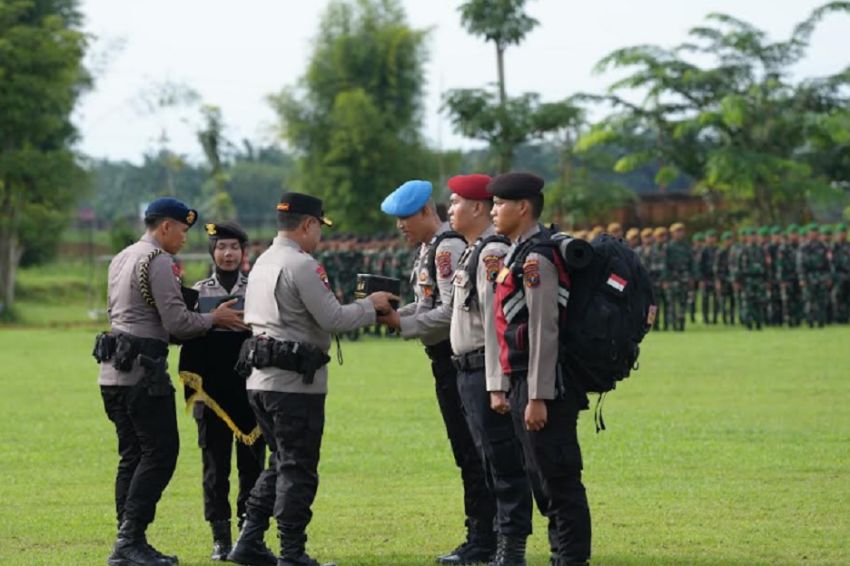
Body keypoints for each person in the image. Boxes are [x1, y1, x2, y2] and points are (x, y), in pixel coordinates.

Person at [227, 192, 396, 566]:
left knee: (280, 462)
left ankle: (250, 539)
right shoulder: (302, 265)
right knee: (297, 467)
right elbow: (333, 319)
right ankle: (292, 552)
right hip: (293, 385)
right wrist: (373, 305)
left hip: (260, 379)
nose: (318, 234)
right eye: (318, 226)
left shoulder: (261, 262)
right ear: (307, 224)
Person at [95, 197, 246, 566]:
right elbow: (178, 324)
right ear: (165, 227)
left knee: (132, 456)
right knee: (160, 454)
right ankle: (129, 541)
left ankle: (127, 541)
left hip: (112, 371)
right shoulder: (157, 260)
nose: (183, 239)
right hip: (143, 374)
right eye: (182, 230)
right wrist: (216, 319)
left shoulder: (122, 256)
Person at [379, 179, 497, 565]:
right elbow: (426, 302)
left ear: (427, 212)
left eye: (405, 218)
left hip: (455, 358)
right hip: (445, 360)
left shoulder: (447, 248)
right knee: (467, 450)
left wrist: (404, 324)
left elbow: (449, 312)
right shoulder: (430, 248)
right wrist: (400, 314)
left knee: (472, 450)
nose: (401, 226)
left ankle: (483, 537)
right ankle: (481, 534)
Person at [490, 172, 592, 566]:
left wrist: (537, 396)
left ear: (522, 207)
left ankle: (570, 559)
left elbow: (543, 329)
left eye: (500, 204)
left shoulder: (537, 258)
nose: (494, 211)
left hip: (545, 387)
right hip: (522, 383)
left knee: (559, 482)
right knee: (541, 479)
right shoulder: (517, 252)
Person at [446, 174, 535, 566]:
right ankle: (493, 542)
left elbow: (497, 324)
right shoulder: (472, 251)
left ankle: (510, 548)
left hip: (485, 371)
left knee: (502, 462)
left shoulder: (490, 255)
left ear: (477, 208)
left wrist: (497, 385)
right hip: (467, 370)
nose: (449, 210)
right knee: (485, 461)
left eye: (455, 202)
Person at [178, 221, 266, 561]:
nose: (227, 254)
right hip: (211, 395)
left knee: (252, 467)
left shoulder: (258, 288)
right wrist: (215, 320)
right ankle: (220, 538)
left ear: (244, 253)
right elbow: (184, 334)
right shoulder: (198, 292)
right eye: (221, 247)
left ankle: (249, 533)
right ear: (213, 252)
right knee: (214, 467)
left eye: (234, 248)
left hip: (251, 390)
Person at [797, 224, 832, 328]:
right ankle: (810, 322)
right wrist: (802, 278)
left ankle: (821, 322)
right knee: (809, 300)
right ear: (808, 234)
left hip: (821, 276)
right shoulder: (804, 247)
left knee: (822, 300)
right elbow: (800, 265)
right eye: (812, 232)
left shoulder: (824, 247)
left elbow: (828, 264)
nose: (814, 234)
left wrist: (829, 277)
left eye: (816, 232)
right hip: (809, 276)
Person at [662, 223, 694, 332]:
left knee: (683, 301)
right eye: (677, 231)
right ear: (672, 233)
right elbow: (664, 264)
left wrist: (692, 277)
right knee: (671, 302)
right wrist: (665, 279)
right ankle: (673, 323)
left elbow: (692, 263)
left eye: (681, 231)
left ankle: (681, 323)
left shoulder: (687, 246)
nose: (680, 233)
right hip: (672, 278)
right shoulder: (668, 247)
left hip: (684, 278)